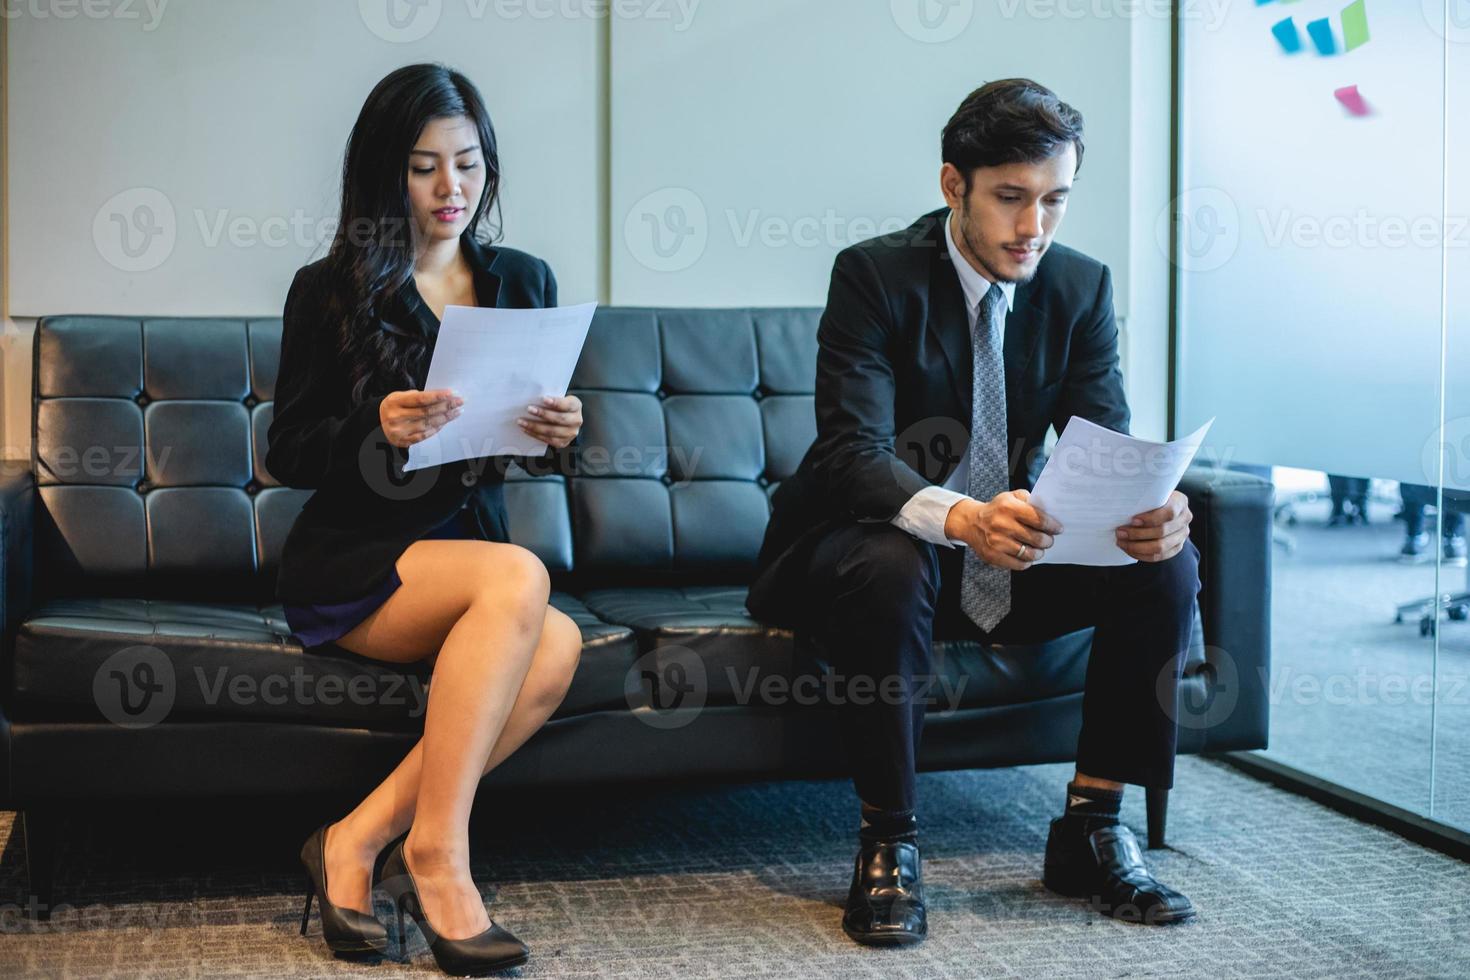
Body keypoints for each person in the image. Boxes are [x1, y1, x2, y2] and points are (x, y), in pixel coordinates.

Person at [746, 79, 1201, 945]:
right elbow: (850, 455)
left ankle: (1095, 827)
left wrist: (1152, 508)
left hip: (1002, 559)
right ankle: (890, 840)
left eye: (1056, 200)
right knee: (895, 557)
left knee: (1166, 560)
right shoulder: (875, 276)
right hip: (859, 554)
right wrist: (961, 518)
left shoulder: (1078, 288)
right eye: (1011, 198)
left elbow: (1104, 445)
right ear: (954, 185)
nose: (1034, 227)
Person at [267, 63, 584, 975]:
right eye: (424, 167)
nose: (453, 190)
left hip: (463, 553)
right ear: (384, 174)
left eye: (470, 165)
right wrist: (374, 426)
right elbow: (287, 450)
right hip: (356, 560)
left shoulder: (522, 279)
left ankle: (354, 840)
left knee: (555, 647)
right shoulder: (328, 289)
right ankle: (441, 856)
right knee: (523, 577)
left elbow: (526, 436)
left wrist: (559, 430)